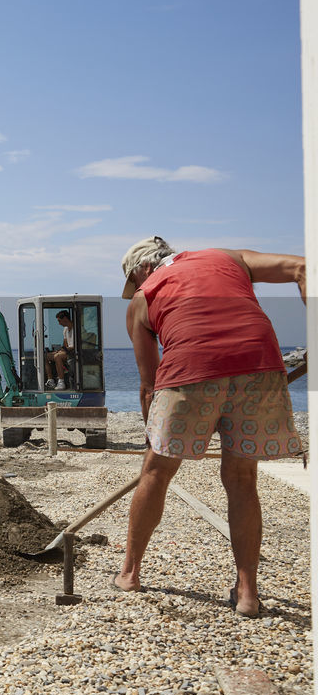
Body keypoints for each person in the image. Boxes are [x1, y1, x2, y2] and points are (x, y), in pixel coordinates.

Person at [112, 236, 305, 617]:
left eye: (134, 281)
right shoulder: (228, 257)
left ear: (140, 271)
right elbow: (304, 268)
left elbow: (150, 384)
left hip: (189, 372)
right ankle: (247, 594)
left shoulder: (142, 299)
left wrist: (153, 434)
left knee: (156, 472)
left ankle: (130, 573)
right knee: (241, 478)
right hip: (260, 367)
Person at [44, 309, 74, 390]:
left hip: (73, 352)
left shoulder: (76, 329)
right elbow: (65, 344)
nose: (59, 323)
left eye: (59, 321)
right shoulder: (65, 330)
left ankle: (61, 382)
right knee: (46, 356)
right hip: (67, 351)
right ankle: (51, 380)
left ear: (65, 319)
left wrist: (63, 351)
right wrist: (61, 350)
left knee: (57, 356)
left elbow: (75, 346)